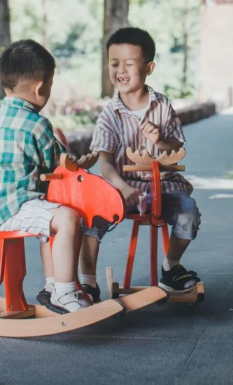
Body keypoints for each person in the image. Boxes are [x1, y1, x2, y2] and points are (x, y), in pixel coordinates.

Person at [79, 26, 201, 301]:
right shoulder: (110, 115)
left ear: (149, 68)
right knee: (90, 217)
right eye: (114, 63)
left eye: (129, 64)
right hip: (123, 189)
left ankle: (171, 266)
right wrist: (121, 187)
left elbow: (177, 146)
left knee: (188, 212)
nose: (120, 70)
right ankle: (87, 282)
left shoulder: (161, 105)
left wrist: (160, 141)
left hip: (163, 186)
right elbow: (105, 164)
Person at [0, 39, 90, 315]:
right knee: (68, 218)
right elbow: (58, 165)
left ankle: (51, 286)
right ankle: (64, 290)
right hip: (14, 206)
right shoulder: (37, 124)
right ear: (41, 88)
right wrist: (73, 161)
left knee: (53, 217)